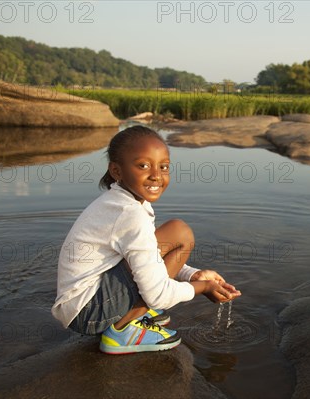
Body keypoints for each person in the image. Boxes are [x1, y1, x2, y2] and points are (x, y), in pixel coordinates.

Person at [52, 125, 241, 354]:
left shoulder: (124, 202)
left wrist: (192, 274)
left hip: (84, 306)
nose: (156, 175)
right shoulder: (129, 214)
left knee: (175, 235)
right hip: (88, 312)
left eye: (164, 167)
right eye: (143, 165)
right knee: (180, 233)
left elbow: (148, 255)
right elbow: (157, 295)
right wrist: (201, 287)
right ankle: (122, 331)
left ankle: (130, 314)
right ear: (117, 171)